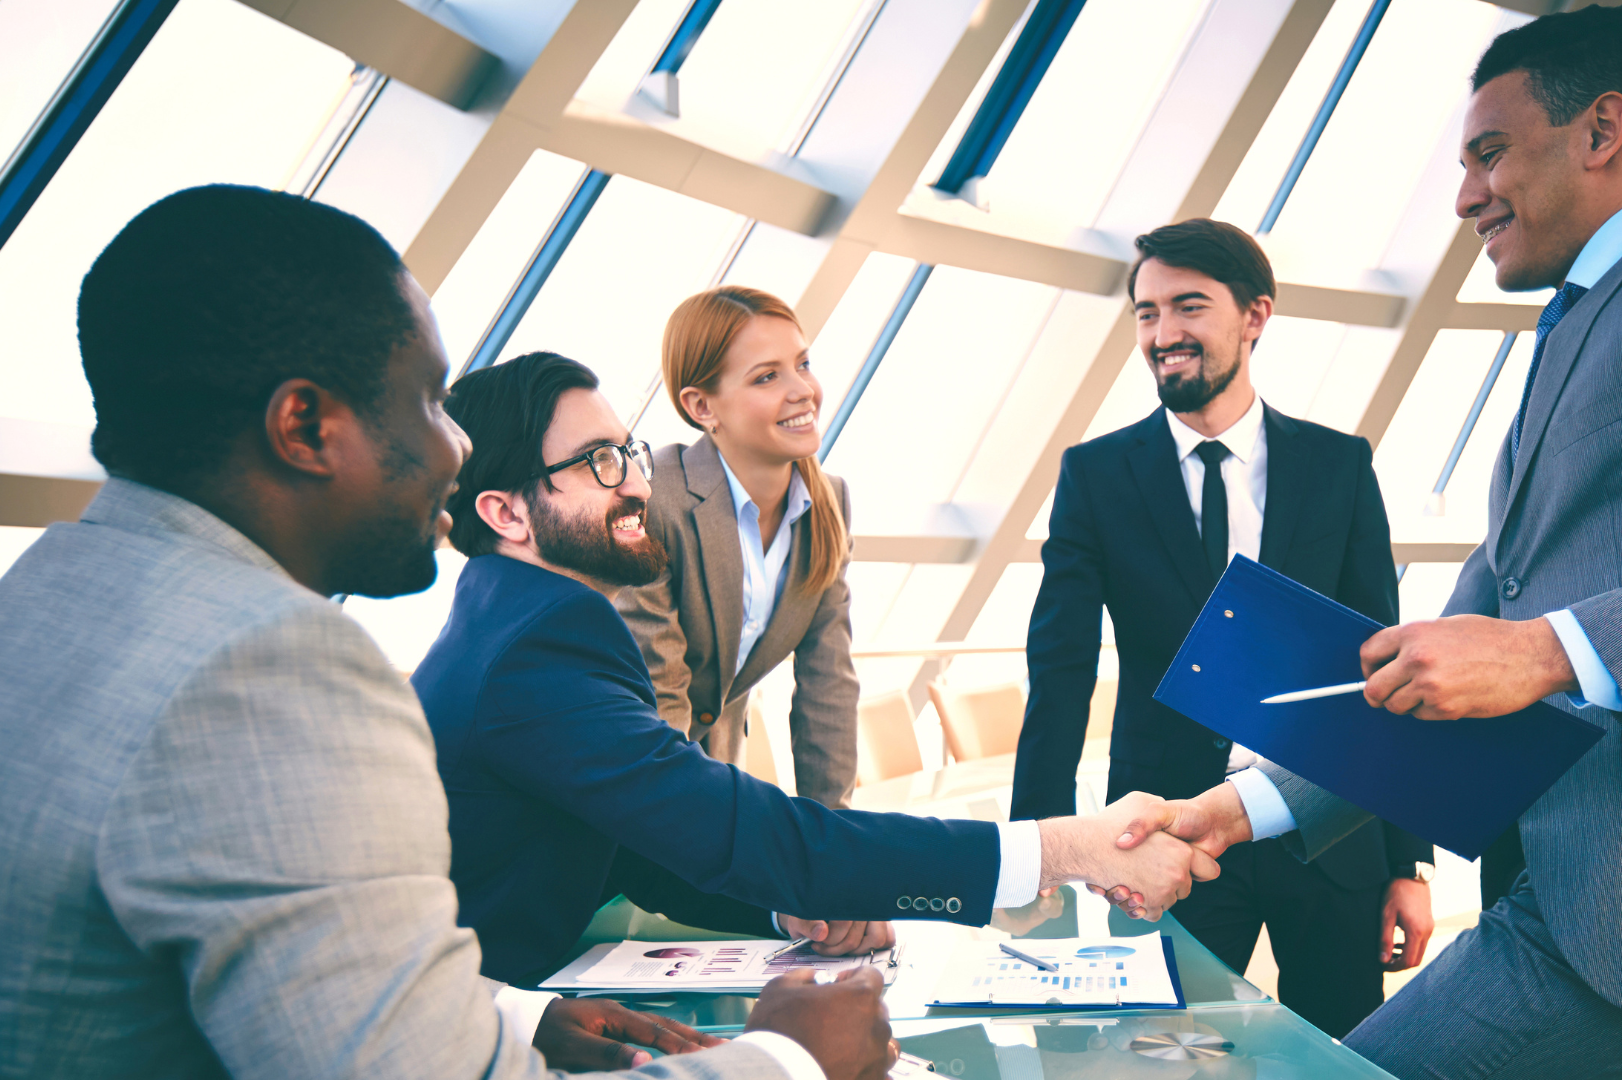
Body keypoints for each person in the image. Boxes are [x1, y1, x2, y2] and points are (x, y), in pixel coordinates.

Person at [1108, 7, 1622, 1078]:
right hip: (1610, 903)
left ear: (1602, 130)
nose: (1463, 197)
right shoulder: (1566, 339)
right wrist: (1241, 807)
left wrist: (1550, 650)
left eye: (1489, 153)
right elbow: (1439, 666)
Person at [0, 183, 897, 1080]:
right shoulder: (270, 667)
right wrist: (788, 1058)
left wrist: (513, 1015)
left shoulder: (47, 597)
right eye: (428, 402)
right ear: (303, 426)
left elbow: (282, 967)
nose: (459, 449)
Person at [412, 349, 1218, 987]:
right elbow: (737, 829)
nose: (635, 483)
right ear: (506, 512)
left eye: (629, 452)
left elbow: (642, 844)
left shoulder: (517, 623)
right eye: (598, 462)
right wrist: (1065, 848)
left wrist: (789, 912)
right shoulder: (539, 648)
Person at [1009, 217, 1435, 1037]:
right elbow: (1059, 670)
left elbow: (1381, 666)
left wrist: (1406, 860)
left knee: (1344, 1052)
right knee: (1158, 1054)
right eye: (1146, 312)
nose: (1161, 333)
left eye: (1189, 306)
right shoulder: (1095, 476)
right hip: (1164, 834)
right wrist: (1041, 851)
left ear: (1255, 315)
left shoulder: (1338, 466)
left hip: (1329, 830)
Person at [617, 286, 857, 808]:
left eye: (803, 364)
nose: (803, 390)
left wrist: (834, 833)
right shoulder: (656, 501)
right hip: (634, 785)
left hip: (716, 774)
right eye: (767, 376)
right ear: (702, 406)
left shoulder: (829, 503)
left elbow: (829, 688)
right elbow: (661, 696)